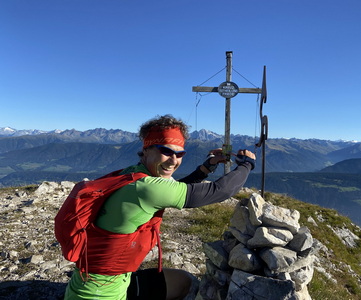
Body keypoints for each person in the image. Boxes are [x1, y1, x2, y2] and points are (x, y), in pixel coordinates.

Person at [64, 114, 256, 300]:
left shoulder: (132, 174)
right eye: (166, 151)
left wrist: (208, 166)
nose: (174, 160)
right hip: (98, 294)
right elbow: (220, 191)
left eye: (180, 154)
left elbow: (179, 187)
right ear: (146, 150)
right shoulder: (147, 189)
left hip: (104, 279)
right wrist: (246, 164)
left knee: (184, 281)